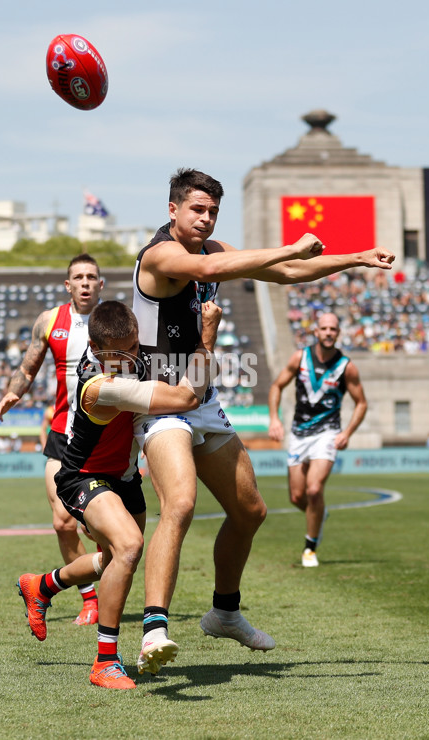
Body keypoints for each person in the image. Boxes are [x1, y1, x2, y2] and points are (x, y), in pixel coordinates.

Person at [132, 167, 395, 673]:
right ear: (172, 210)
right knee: (180, 503)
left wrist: (356, 257)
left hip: (202, 399)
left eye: (212, 211)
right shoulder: (159, 256)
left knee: (250, 511)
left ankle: (225, 613)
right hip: (162, 398)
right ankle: (154, 629)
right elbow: (209, 274)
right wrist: (290, 247)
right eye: (197, 209)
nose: (206, 219)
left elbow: (288, 274)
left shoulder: (214, 249)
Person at [16, 299, 221, 690]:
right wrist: (207, 338)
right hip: (81, 476)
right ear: (94, 350)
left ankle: (42, 585)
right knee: (129, 547)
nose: (128, 359)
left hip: (124, 479)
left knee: (111, 558)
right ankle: (105, 662)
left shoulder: (137, 354)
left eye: (132, 348)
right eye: (117, 354)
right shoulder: (101, 386)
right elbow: (185, 398)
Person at [0, 254, 104, 625]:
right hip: (62, 432)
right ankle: (89, 598)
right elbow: (28, 366)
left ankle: (104, 569)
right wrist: (14, 392)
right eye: (79, 277)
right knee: (62, 522)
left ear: (101, 285)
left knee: (101, 529)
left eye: (92, 277)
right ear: (68, 284)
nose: (86, 282)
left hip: (104, 438)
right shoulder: (49, 321)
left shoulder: (114, 320)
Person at [267, 313, 368, 567]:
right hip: (299, 433)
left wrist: (347, 433)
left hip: (327, 433)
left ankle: (309, 548)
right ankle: (320, 514)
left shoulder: (346, 366)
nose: (328, 332)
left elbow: (361, 403)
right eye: (324, 328)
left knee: (314, 490)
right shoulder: (300, 357)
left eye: (333, 328)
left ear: (338, 333)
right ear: (316, 331)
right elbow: (276, 386)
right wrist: (274, 419)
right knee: (296, 496)